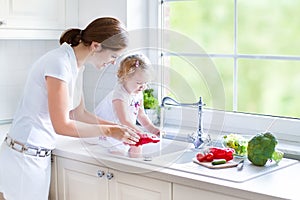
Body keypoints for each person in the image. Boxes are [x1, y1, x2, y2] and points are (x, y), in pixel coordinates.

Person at [0, 17, 140, 200]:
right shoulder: (58, 63)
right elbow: (62, 125)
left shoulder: (75, 66)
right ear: (96, 46)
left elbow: (78, 113)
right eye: (114, 56)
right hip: (24, 160)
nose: (113, 62)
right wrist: (110, 130)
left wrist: (120, 128)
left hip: (37, 158)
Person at [93, 54, 161, 153]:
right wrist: (141, 133)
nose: (143, 87)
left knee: (137, 145)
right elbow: (124, 120)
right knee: (118, 152)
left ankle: (135, 166)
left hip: (125, 129)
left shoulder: (138, 93)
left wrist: (153, 129)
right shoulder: (119, 95)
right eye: (139, 83)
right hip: (108, 131)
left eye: (145, 83)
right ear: (125, 78)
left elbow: (141, 115)